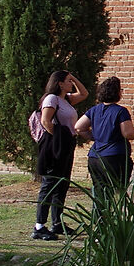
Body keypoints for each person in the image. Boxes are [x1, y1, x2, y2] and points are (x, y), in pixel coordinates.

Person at [31, 71, 85, 240]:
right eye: (68, 81)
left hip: (67, 145)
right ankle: (39, 226)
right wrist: (58, 139)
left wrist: (74, 77)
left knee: (62, 184)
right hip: (54, 146)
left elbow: (84, 94)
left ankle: (57, 222)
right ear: (60, 83)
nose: (71, 83)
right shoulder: (51, 99)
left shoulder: (66, 99)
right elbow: (46, 121)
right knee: (49, 184)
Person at [74, 74, 134, 194]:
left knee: (99, 192)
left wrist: (94, 137)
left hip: (94, 157)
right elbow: (128, 133)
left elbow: (79, 127)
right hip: (114, 157)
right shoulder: (120, 111)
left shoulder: (94, 110)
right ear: (117, 93)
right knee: (120, 190)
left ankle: (98, 213)